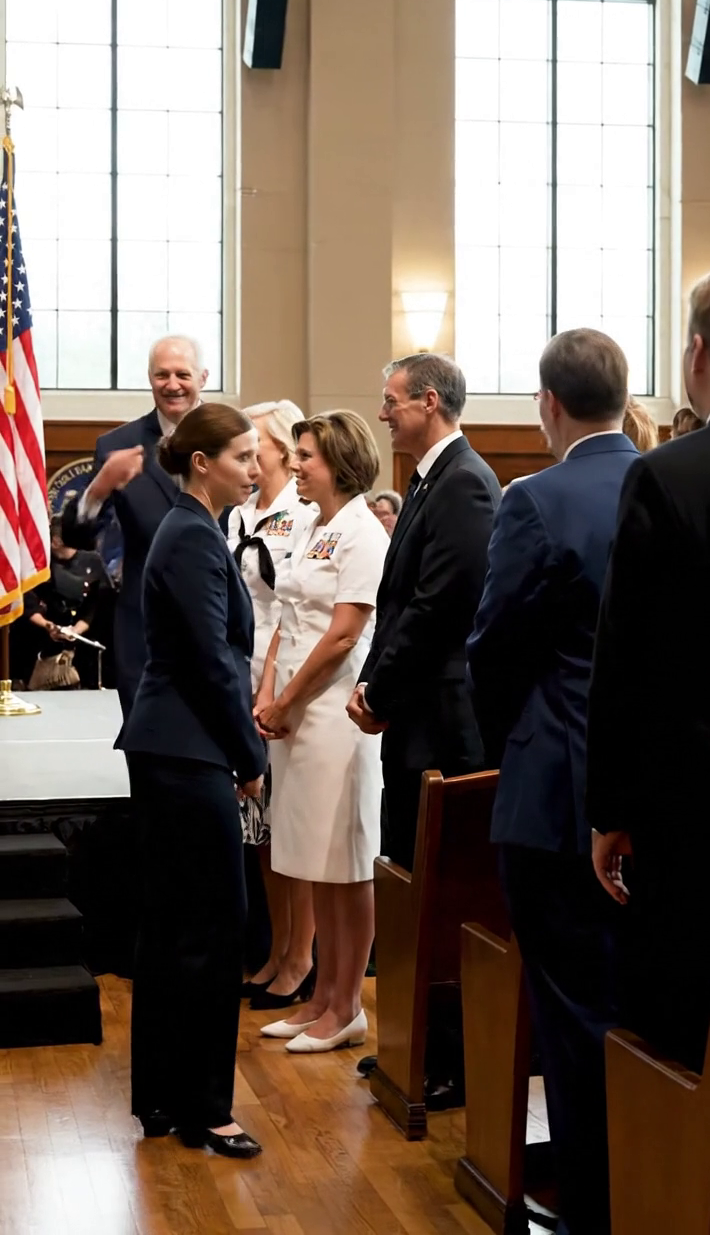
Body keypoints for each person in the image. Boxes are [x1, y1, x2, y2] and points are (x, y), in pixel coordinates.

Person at [467, 329, 639, 1235]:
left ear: (548, 404)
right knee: (642, 1010)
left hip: (558, 789)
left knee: (573, 1018)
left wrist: (517, 743)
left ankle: (590, 1212)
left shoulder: (537, 498)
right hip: (654, 793)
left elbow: (492, 650)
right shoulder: (659, 478)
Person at [346, 352, 501, 1106]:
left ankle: (449, 1063)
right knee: (410, 880)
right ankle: (413, 1047)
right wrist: (378, 685)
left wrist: (379, 687)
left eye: (391, 401)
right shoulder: (432, 479)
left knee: (440, 895)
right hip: (415, 716)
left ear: (428, 401)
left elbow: (442, 607)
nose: (383, 415)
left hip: (443, 726)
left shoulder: (466, 483)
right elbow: (399, 602)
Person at [117, 403, 267, 1159]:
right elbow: (214, 663)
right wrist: (251, 756)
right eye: (243, 456)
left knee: (178, 928)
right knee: (212, 927)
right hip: (189, 750)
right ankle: (206, 1107)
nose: (255, 467)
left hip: (177, 748)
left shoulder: (191, 529)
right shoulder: (191, 536)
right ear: (202, 462)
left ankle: (165, 1099)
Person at [589, 269, 710, 1078]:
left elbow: (628, 662)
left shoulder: (670, 475)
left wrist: (610, 811)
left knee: (682, 1024)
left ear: (698, 354)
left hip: (695, 806)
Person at [254, 411, 388, 1054]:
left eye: (307, 456)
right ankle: (320, 997)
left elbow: (342, 634)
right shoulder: (312, 524)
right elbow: (285, 614)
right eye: (298, 453)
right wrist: (267, 693)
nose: (296, 464)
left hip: (337, 713)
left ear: (340, 463)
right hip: (296, 709)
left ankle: (348, 1005)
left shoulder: (363, 531)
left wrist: (288, 701)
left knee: (347, 863)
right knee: (313, 861)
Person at [62, 336, 209, 717]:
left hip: (219, 624)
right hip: (144, 627)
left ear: (203, 377)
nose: (172, 384)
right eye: (162, 375)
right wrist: (98, 488)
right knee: (148, 752)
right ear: (149, 378)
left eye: (182, 374)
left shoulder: (235, 437)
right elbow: (77, 537)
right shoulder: (118, 444)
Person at [227, 400, 317, 1010]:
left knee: (290, 831)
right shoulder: (238, 514)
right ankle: (275, 950)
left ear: (282, 450)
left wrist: (270, 689)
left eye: (255, 444)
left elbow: (293, 608)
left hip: (281, 684)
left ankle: (301, 958)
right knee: (259, 833)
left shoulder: (304, 515)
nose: (248, 455)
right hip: (239, 677)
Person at [22, 514, 112, 689]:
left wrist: (76, 630)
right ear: (55, 540)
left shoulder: (92, 562)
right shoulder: (38, 564)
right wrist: (48, 626)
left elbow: (96, 604)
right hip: (40, 644)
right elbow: (27, 601)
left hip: (84, 646)